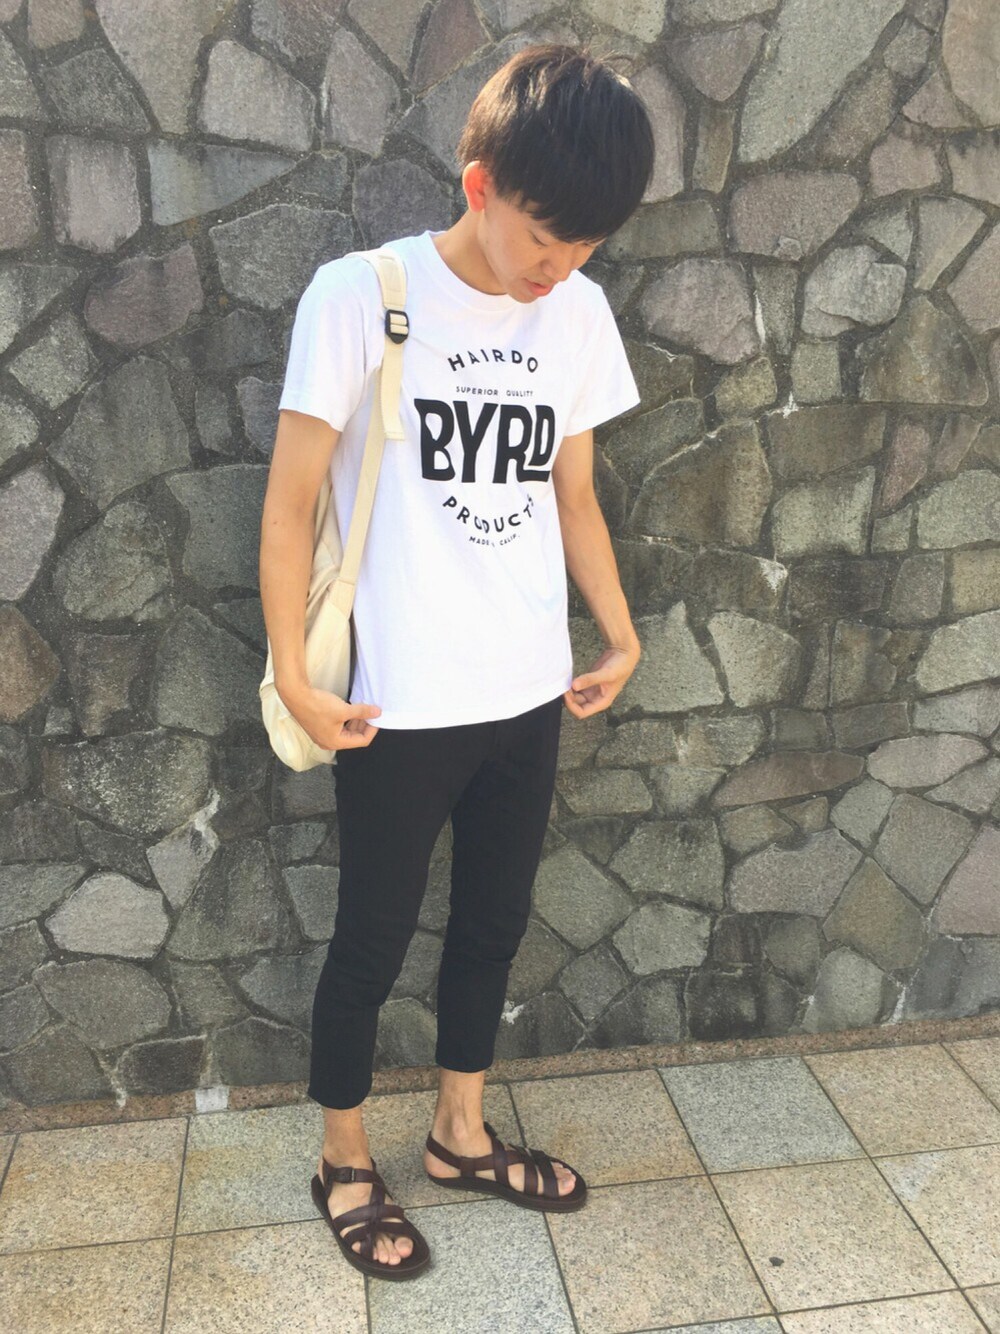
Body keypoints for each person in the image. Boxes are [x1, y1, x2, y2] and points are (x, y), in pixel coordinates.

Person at [258, 42, 655, 1279]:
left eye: (586, 245)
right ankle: (341, 1159)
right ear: (479, 186)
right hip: (394, 701)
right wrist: (295, 674)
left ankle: (457, 1132)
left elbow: (571, 494)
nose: (559, 267)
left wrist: (620, 629)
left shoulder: (576, 313)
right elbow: (288, 506)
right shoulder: (358, 296)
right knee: (370, 941)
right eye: (544, 237)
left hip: (525, 686)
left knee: (491, 924)